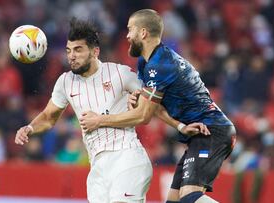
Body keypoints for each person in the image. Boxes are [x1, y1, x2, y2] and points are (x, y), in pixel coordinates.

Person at [15, 18, 209, 203]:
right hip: (97, 167)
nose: (72, 56)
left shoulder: (119, 73)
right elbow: (49, 117)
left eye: (78, 50)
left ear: (95, 51)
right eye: (68, 50)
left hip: (127, 157)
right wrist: (30, 128)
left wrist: (180, 124)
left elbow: (154, 104)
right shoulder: (65, 82)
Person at [80, 9, 236, 203]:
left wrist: (99, 120)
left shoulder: (160, 64)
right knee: (173, 201)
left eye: (130, 30)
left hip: (212, 130)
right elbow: (151, 107)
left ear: (143, 33)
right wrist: (178, 125)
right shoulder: (145, 64)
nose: (127, 36)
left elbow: (143, 116)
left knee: (190, 197)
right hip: (199, 133)